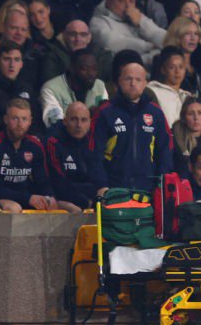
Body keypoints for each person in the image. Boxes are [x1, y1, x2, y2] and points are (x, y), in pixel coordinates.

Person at [89, 62, 173, 190]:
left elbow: (165, 151)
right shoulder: (105, 112)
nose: (133, 84)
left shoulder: (156, 113)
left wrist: (161, 184)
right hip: (113, 189)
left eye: (138, 79)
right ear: (119, 81)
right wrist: (101, 185)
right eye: (128, 79)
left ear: (145, 83)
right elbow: (94, 152)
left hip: (148, 189)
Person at [0, 98, 56, 212]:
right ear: (6, 119)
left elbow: (43, 181)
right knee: (14, 208)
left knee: (52, 205)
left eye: (24, 119)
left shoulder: (36, 146)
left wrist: (49, 197)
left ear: (30, 121)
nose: (20, 124)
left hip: (24, 197)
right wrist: (27, 198)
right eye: (15, 118)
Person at [45, 101, 106, 212]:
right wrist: (86, 201)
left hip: (87, 194)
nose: (79, 125)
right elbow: (57, 182)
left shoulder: (92, 140)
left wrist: (102, 192)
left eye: (84, 120)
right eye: (74, 119)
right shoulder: (53, 141)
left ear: (90, 122)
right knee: (76, 210)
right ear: (65, 121)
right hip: (61, 196)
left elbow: (98, 174)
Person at [90, 0, 166, 66]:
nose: (127, 5)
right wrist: (149, 47)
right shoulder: (98, 21)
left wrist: (141, 22)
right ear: (108, 2)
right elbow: (113, 43)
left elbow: (164, 37)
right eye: (121, 1)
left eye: (131, 1)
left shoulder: (138, 18)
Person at [40, 48, 108, 128]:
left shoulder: (99, 85)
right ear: (72, 68)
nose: (90, 74)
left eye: (94, 69)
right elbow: (55, 124)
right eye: (84, 69)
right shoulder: (51, 89)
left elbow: (106, 120)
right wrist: (87, 114)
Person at [0, 40, 41, 136]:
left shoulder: (26, 87)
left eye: (16, 59)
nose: (12, 65)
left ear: (21, 64)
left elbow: (36, 121)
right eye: (7, 59)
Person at [171, 96, 201, 176]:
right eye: (190, 114)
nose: (196, 118)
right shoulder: (173, 138)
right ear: (183, 118)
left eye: (200, 113)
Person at [163, 16, 201, 96]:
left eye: (196, 34)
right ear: (177, 35)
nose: (193, 38)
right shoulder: (164, 61)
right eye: (187, 33)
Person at [147, 46, 191, 127]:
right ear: (163, 70)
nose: (177, 71)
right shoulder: (153, 91)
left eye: (181, 67)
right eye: (172, 67)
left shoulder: (188, 97)